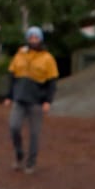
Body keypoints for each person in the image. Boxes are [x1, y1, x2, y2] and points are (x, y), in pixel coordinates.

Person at [6, 26, 59, 173]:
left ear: (41, 39)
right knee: (14, 126)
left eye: (36, 38)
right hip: (20, 98)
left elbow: (52, 82)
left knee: (34, 133)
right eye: (31, 37)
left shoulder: (47, 58)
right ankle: (19, 154)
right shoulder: (20, 55)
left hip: (36, 101)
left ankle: (31, 162)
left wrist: (48, 101)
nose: (33, 40)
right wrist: (9, 95)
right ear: (27, 39)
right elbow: (12, 76)